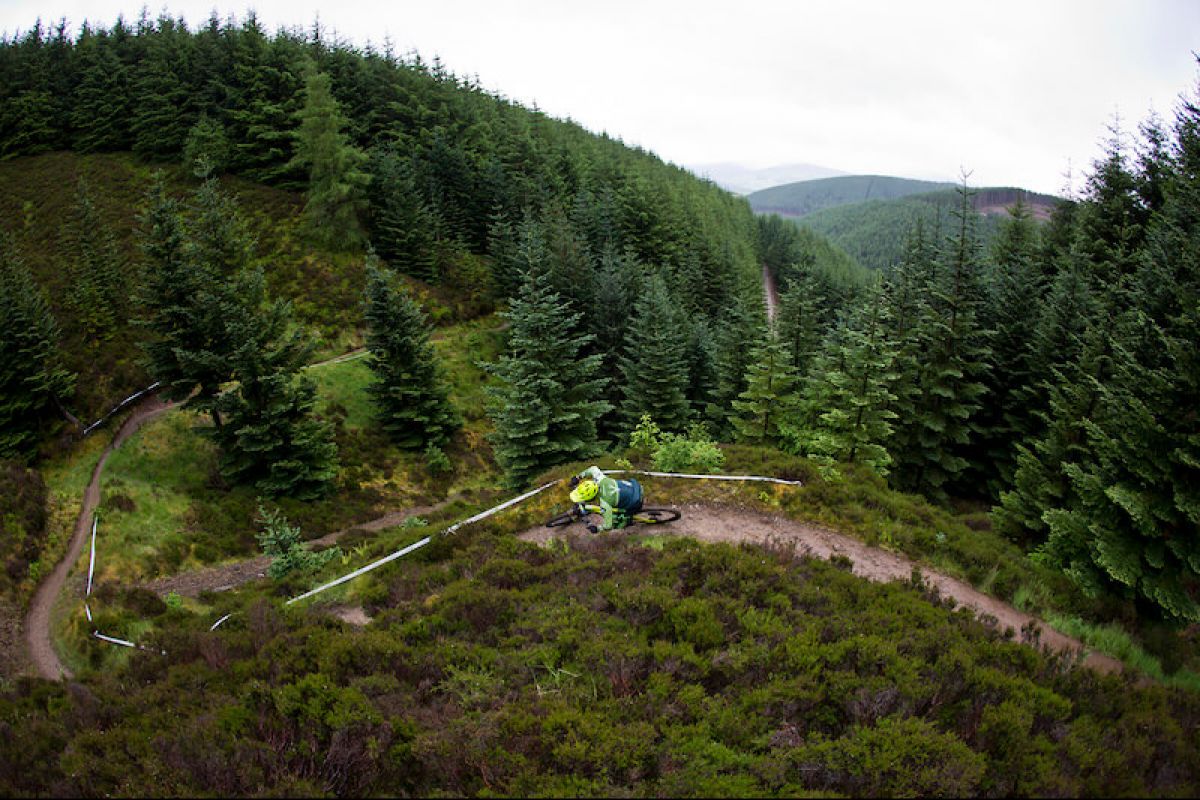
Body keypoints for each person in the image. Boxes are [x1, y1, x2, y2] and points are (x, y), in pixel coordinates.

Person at [569, 465, 644, 533]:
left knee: (616, 521)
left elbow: (608, 526)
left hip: (635, 501)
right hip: (635, 486)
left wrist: (597, 529)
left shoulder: (605, 504)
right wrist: (578, 477)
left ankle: (626, 520)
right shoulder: (600, 479)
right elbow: (593, 469)